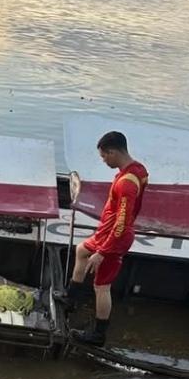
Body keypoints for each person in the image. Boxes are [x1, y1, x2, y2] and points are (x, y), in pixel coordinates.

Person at [67, 130, 148, 346]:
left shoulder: (126, 184)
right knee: (81, 250)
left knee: (102, 286)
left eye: (104, 156)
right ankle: (71, 299)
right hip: (106, 232)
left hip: (114, 238)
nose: (103, 160)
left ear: (113, 152)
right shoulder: (137, 169)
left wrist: (102, 252)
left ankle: (98, 335)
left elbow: (123, 222)